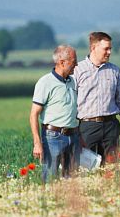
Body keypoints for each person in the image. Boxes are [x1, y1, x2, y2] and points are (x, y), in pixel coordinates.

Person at [74, 31, 120, 163]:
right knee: (86, 168)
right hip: (87, 127)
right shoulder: (78, 70)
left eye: (110, 48)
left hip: (111, 126)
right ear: (93, 48)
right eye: (106, 49)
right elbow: (71, 101)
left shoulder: (115, 71)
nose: (109, 52)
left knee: (111, 168)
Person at [30, 44, 79, 182]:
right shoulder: (45, 82)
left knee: (72, 181)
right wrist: (37, 143)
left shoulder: (73, 81)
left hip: (74, 136)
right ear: (62, 62)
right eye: (74, 61)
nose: (76, 64)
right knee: (51, 179)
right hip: (53, 138)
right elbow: (34, 114)